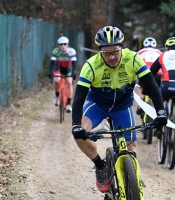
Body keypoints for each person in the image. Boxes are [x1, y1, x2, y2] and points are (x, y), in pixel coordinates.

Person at [71, 26, 167, 193]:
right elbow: (79, 96)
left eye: (115, 51)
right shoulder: (91, 65)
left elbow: (151, 85)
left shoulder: (133, 58)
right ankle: (100, 166)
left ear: (121, 47)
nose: (112, 56)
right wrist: (76, 125)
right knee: (79, 134)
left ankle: (132, 174)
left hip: (122, 107)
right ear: (100, 51)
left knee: (131, 146)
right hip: (98, 105)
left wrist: (160, 112)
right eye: (106, 53)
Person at [49, 36, 77, 112]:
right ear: (59, 45)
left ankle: (68, 103)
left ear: (68, 44)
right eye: (61, 44)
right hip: (59, 67)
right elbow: (52, 64)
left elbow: (74, 64)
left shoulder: (72, 51)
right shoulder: (55, 51)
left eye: (65, 44)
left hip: (68, 68)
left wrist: (74, 73)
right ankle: (57, 96)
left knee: (69, 82)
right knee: (57, 80)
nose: (63, 46)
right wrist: (51, 72)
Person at [136, 37, 162, 115]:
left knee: (139, 85)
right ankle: (156, 108)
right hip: (157, 74)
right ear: (155, 46)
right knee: (157, 90)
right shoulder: (159, 52)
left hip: (144, 72)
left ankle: (140, 102)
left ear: (144, 45)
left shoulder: (140, 51)